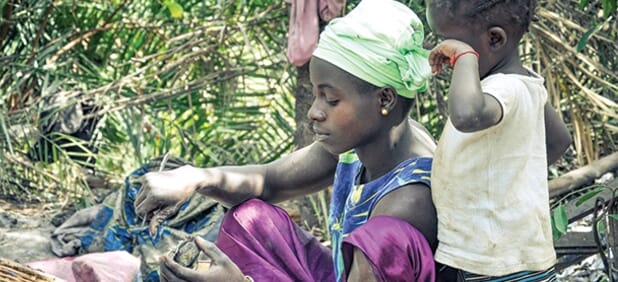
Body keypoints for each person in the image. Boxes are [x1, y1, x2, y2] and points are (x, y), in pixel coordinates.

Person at [134, 0, 443, 281]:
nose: (314, 113)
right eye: (316, 95)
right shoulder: (366, 144)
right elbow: (270, 182)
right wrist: (194, 178)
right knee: (249, 220)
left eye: (331, 100)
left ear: (384, 98)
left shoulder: (406, 203)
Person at [425, 0, 572, 280]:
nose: (442, 50)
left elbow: (467, 116)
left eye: (448, 41)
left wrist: (465, 58)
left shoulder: (504, 88)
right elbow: (558, 141)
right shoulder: (526, 84)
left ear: (494, 39)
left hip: (493, 262)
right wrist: (509, 182)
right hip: (508, 256)